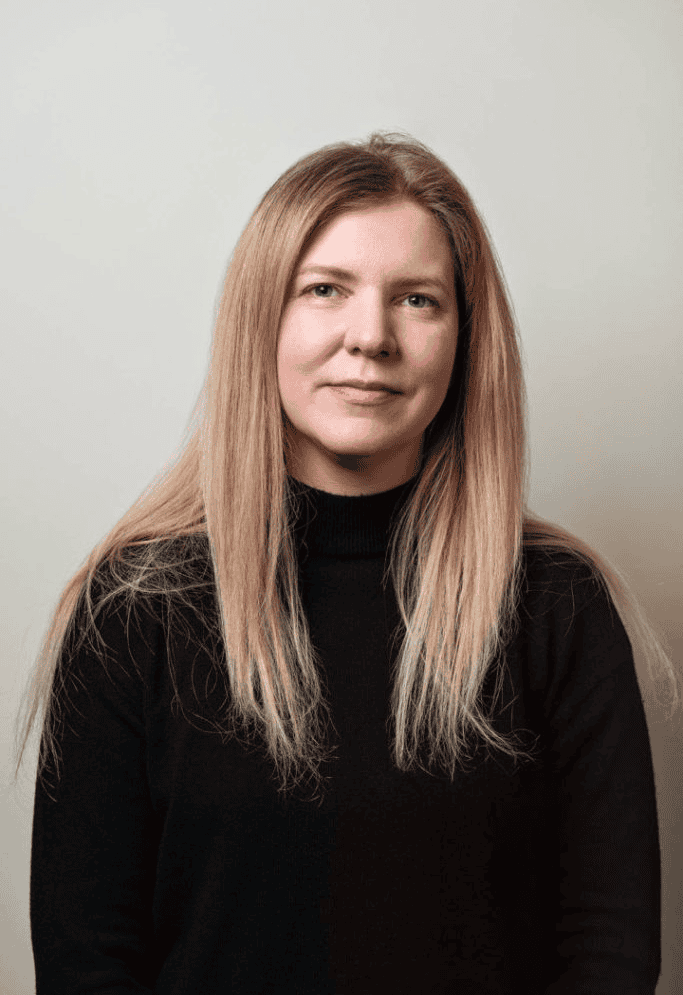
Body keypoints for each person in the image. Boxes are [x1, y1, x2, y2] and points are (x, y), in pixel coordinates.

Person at [20, 132, 677, 994]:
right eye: (325, 290)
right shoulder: (136, 607)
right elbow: (87, 960)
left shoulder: (557, 606)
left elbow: (608, 950)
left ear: (465, 338)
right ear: (263, 319)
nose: (369, 338)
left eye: (416, 299)